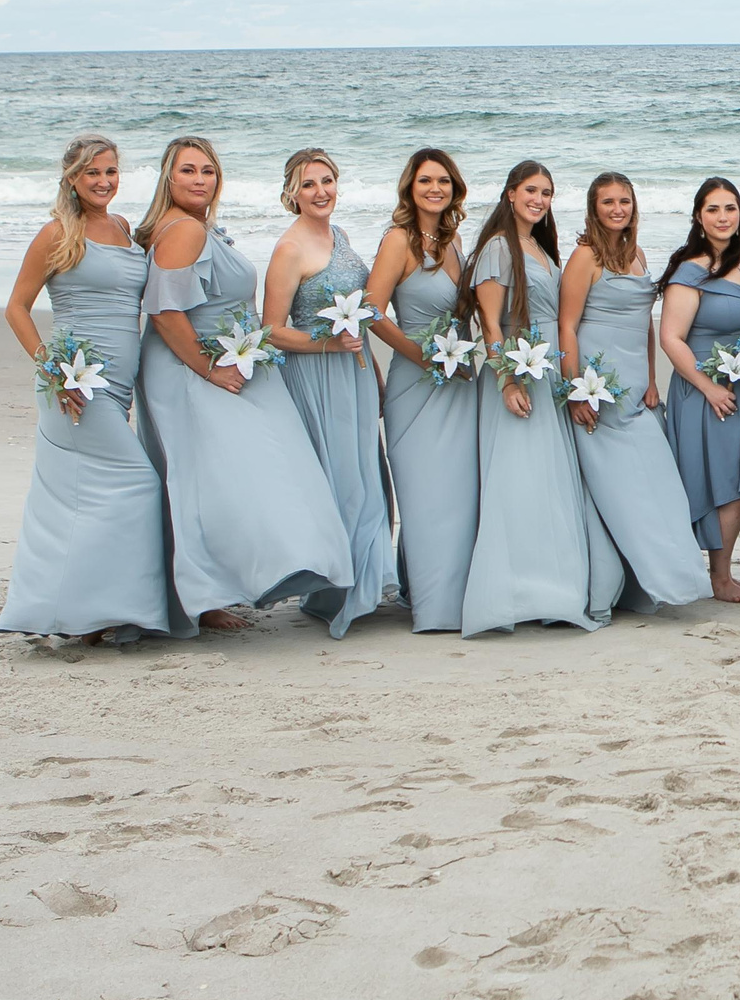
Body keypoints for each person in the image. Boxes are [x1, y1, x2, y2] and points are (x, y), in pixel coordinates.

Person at [133, 136, 354, 632]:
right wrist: (209, 369)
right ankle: (206, 595)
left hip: (216, 359)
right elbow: (166, 314)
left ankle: (210, 591)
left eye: (208, 171)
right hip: (194, 367)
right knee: (213, 478)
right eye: (188, 171)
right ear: (168, 178)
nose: (199, 180)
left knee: (209, 480)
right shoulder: (184, 230)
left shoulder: (191, 227)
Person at [0, 133, 178, 645]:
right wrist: (53, 371)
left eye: (111, 172)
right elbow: (16, 307)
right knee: (137, 486)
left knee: (97, 499)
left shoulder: (124, 228)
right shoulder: (57, 233)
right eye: (92, 173)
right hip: (76, 386)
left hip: (119, 386)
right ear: (72, 179)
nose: (103, 182)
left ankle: (95, 610)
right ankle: (108, 611)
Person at [460, 160, 626, 634]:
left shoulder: (538, 247)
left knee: (547, 481)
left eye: (547, 193)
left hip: (547, 372)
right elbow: (491, 324)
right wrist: (507, 381)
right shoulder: (497, 248)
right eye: (531, 190)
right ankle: (520, 593)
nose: (539, 199)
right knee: (520, 483)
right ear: (510, 194)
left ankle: (552, 587)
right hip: (518, 376)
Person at [556, 173, 713, 608]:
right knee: (621, 492)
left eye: (624, 201)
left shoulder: (639, 254)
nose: (617, 209)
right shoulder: (585, 256)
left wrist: (650, 379)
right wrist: (574, 389)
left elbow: (645, 323)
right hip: (597, 388)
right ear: (594, 207)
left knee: (660, 484)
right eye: (608, 202)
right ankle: (630, 586)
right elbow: (566, 326)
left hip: (636, 390)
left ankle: (670, 581)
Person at [264, 148, 395, 638]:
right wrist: (327, 344)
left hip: (354, 372)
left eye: (327, 181)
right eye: (308, 184)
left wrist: (373, 371)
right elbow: (271, 329)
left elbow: (359, 317)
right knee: (341, 480)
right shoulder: (289, 248)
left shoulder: (338, 236)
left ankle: (355, 583)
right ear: (291, 193)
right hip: (317, 376)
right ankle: (340, 591)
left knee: (364, 472)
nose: (320, 191)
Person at [367, 148, 477, 632]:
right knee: (426, 493)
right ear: (410, 187)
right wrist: (421, 356)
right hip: (415, 384)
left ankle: (440, 592)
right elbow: (371, 311)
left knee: (456, 493)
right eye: (426, 181)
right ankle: (434, 610)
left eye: (444, 182)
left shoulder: (453, 241)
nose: (436, 189)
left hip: (458, 384)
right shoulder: (399, 240)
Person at [656, 177, 740, 603]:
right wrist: (708, 388)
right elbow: (671, 337)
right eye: (713, 209)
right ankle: (718, 579)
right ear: (698, 217)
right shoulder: (690, 270)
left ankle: (723, 573)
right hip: (708, 392)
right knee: (723, 482)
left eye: (730, 208)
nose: (723, 217)